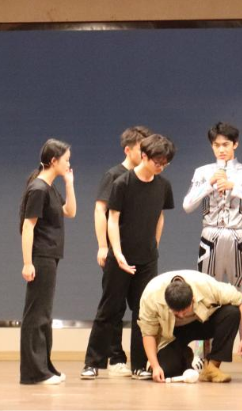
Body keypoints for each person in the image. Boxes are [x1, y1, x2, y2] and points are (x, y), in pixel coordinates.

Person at [82, 134, 177, 380]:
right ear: (144, 156)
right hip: (120, 257)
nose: (161, 166)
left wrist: (154, 245)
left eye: (165, 163)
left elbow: (160, 216)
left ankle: (139, 365)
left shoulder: (163, 185)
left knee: (143, 311)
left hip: (147, 259)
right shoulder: (122, 183)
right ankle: (92, 362)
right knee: (109, 309)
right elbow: (112, 219)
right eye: (157, 161)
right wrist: (117, 253)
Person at [182, 122, 242, 374]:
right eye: (217, 145)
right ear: (212, 146)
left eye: (226, 144)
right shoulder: (202, 172)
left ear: (235, 144)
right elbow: (187, 205)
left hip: (238, 236)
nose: (221, 149)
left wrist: (235, 187)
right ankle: (200, 352)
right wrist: (208, 184)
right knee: (203, 296)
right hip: (209, 236)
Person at [18, 138, 76, 385]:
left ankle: (45, 367)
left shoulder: (49, 188)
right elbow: (28, 227)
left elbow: (70, 211)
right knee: (36, 315)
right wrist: (27, 262)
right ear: (54, 161)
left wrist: (69, 183)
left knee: (45, 314)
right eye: (66, 160)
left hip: (50, 256)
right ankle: (34, 373)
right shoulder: (39, 189)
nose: (69, 164)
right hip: (40, 256)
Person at [138, 270, 242, 384]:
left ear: (192, 299)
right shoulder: (151, 296)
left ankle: (212, 367)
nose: (181, 316)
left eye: (185, 311)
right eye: (176, 313)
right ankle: (186, 356)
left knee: (232, 313)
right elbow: (148, 333)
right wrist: (155, 366)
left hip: (201, 324)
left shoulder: (206, 285)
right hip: (171, 334)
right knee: (166, 371)